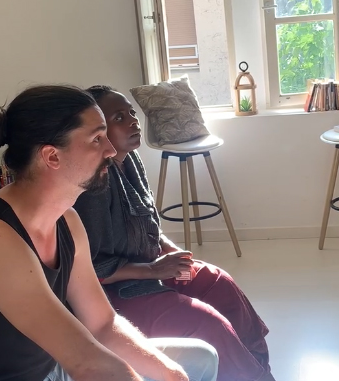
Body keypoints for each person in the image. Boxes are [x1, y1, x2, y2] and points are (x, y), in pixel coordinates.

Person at [0, 85, 219, 381]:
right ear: (52, 156)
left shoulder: (67, 221)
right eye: (97, 139)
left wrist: (172, 374)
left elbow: (102, 324)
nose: (111, 150)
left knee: (199, 361)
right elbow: (87, 364)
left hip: (49, 370)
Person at [73, 85, 275, 381]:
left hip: (148, 269)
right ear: (98, 131)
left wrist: (172, 252)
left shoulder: (130, 161)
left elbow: (149, 227)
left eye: (131, 112)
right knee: (205, 323)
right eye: (119, 117)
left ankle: (260, 370)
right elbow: (92, 270)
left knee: (218, 282)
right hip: (115, 292)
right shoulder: (95, 183)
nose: (133, 121)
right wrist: (153, 269)